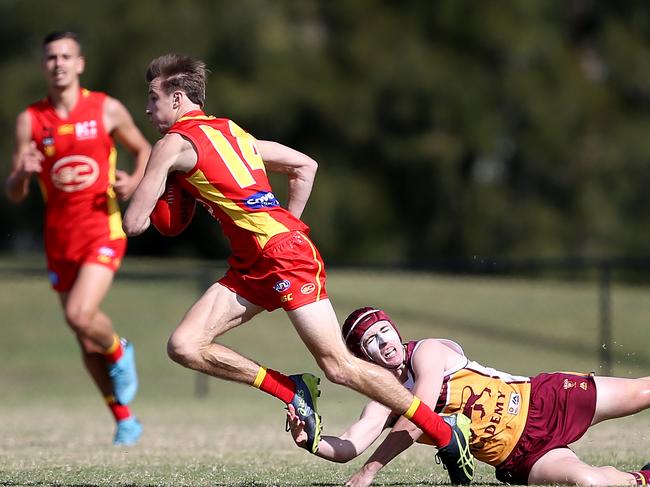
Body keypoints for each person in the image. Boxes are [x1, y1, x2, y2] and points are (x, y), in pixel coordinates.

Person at [122, 53, 473, 483]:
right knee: (185, 345)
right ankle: (290, 389)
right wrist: (285, 222)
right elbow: (305, 165)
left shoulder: (172, 145)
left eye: (152, 98)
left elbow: (135, 222)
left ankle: (444, 432)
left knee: (339, 366)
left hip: (281, 256)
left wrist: (149, 184)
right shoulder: (232, 131)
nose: (147, 109)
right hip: (255, 261)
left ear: (177, 99)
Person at [286, 306, 650, 487]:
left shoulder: (426, 352)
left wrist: (369, 473)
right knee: (590, 482)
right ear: (365, 357)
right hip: (519, 455)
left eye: (385, 332)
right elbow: (351, 444)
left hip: (543, 400)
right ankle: (643, 477)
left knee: (642, 392)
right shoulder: (382, 399)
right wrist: (311, 442)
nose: (385, 344)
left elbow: (420, 416)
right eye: (372, 342)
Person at [5, 31, 151, 445]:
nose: (59, 63)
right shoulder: (30, 120)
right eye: (51, 57)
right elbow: (14, 194)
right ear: (44, 65)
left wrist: (134, 182)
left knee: (80, 315)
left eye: (66, 56)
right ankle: (124, 418)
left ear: (80, 63)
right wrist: (22, 175)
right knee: (83, 335)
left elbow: (143, 150)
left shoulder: (105, 109)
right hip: (59, 241)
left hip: (101, 229)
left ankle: (121, 350)